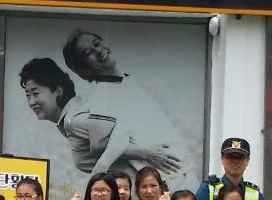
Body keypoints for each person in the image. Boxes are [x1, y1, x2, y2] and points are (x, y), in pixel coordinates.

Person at [18, 58, 179, 179]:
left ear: (58, 91)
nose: (31, 102)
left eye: (36, 93)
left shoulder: (74, 120)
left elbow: (121, 128)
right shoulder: (75, 112)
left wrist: (101, 168)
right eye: (27, 95)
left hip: (153, 182)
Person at [60, 30, 187, 183]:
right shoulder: (103, 95)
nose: (98, 51)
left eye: (97, 44)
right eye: (89, 53)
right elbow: (99, 146)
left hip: (179, 167)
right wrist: (147, 153)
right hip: (164, 175)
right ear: (83, 69)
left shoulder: (126, 80)